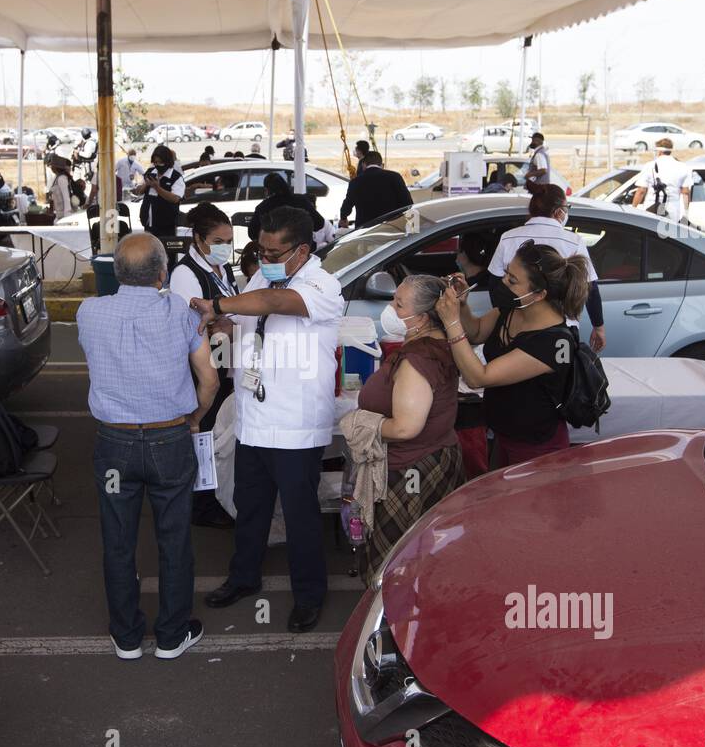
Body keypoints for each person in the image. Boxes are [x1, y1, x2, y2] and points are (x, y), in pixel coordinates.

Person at [188, 206, 345, 633]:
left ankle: (309, 595)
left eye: (276, 253)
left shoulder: (322, 285)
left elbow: (276, 302)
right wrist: (220, 322)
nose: (267, 260)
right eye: (262, 250)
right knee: (250, 505)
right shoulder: (263, 275)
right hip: (253, 416)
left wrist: (217, 301)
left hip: (295, 423)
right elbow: (245, 317)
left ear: (303, 251)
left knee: (300, 514)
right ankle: (243, 576)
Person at [76, 232, 218, 660]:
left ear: (116, 272)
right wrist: (194, 419)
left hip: (114, 445)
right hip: (169, 440)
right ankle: (172, 635)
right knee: (174, 538)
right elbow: (208, 379)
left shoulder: (88, 312)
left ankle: (127, 636)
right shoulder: (179, 309)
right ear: (162, 273)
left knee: (118, 539)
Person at [437, 240, 590, 467]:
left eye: (513, 280)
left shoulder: (555, 342)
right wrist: (461, 306)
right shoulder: (514, 309)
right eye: (506, 274)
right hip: (503, 436)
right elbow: (477, 332)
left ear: (539, 294)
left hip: (536, 448)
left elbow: (478, 377)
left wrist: (451, 323)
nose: (504, 283)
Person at [350, 274, 464, 579]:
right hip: (431, 459)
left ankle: (396, 622)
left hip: (409, 472)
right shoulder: (439, 344)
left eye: (399, 304)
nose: (391, 308)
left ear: (423, 318)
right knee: (425, 557)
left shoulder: (417, 359)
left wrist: (361, 425)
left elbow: (405, 428)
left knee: (401, 564)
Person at [169, 202, 240, 529]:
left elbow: (229, 316)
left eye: (229, 241)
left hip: (225, 364)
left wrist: (228, 323)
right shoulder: (186, 274)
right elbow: (194, 326)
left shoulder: (223, 271)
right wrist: (222, 323)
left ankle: (216, 497)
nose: (225, 248)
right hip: (201, 371)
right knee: (202, 435)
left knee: (219, 438)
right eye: (218, 241)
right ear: (198, 240)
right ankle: (201, 505)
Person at [484, 184, 606, 351]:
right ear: (558, 211)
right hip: (562, 331)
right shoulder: (573, 241)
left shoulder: (508, 238)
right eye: (567, 207)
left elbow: (495, 285)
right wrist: (598, 327)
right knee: (558, 374)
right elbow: (589, 287)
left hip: (516, 328)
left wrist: (505, 319)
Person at [338, 151, 412, 228]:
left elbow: (347, 204)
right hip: (392, 227)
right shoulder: (395, 177)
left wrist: (343, 218)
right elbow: (408, 203)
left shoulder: (355, 182)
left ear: (363, 165)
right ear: (382, 165)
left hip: (365, 230)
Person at [247, 172, 324, 242]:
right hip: (302, 248)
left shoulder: (263, 207)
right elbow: (319, 224)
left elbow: (252, 233)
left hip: (274, 252)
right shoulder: (301, 200)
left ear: (267, 190)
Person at [631, 138, 694, 222]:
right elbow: (686, 192)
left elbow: (641, 191)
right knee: (669, 233)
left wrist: (633, 208)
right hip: (673, 209)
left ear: (659, 151)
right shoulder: (683, 167)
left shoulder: (650, 165)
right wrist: (686, 211)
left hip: (652, 207)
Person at [138, 144, 185, 248]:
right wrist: (147, 184)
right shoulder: (151, 172)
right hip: (148, 223)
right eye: (155, 162)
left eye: (160, 162)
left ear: (167, 161)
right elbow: (140, 191)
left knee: (166, 256)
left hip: (166, 226)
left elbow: (175, 198)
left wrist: (157, 188)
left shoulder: (175, 177)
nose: (158, 165)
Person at [47, 155, 74, 220]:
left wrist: (67, 215)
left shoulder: (62, 178)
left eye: (52, 166)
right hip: (59, 213)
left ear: (56, 167)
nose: (51, 168)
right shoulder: (57, 177)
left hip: (64, 214)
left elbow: (66, 197)